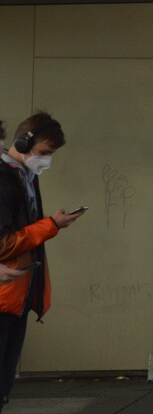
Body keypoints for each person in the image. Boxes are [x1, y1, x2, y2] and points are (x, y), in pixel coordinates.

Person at [0, 113, 85, 410]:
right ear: (24, 142)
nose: (47, 161)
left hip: (18, 294)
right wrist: (52, 225)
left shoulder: (27, 177)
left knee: (4, 382)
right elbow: (3, 243)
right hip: (4, 296)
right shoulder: (5, 181)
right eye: (45, 153)